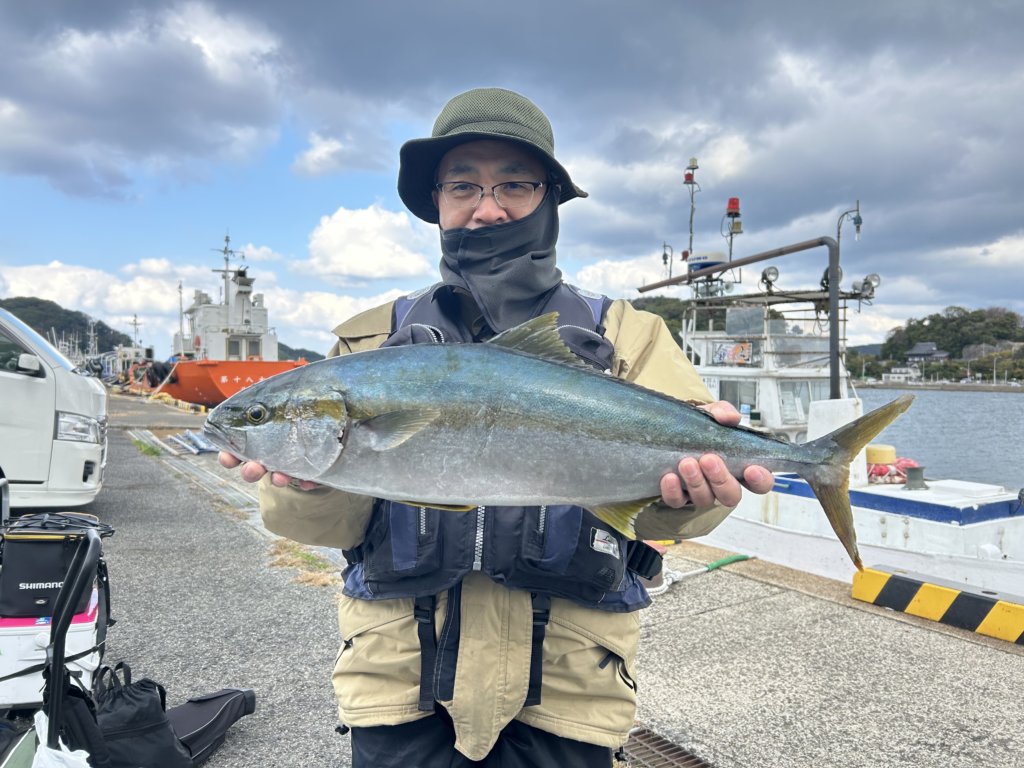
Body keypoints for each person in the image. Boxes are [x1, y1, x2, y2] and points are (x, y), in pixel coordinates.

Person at [219, 87, 774, 767]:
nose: (488, 207)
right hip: (401, 686)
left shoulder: (628, 336)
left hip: (569, 690)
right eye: (463, 186)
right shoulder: (367, 345)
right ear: (437, 203)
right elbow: (326, 528)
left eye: (514, 184)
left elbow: (668, 522)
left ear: (550, 198)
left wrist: (691, 498)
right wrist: (301, 488)